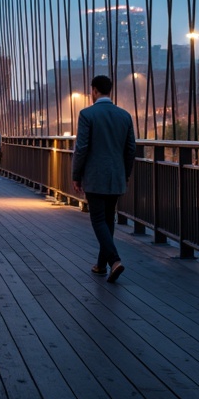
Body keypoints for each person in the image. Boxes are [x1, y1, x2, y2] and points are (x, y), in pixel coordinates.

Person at [71, 75, 137, 283]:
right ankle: (101, 265)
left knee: (98, 219)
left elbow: (81, 148)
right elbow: (130, 149)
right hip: (116, 176)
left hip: (95, 176)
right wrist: (125, 174)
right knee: (108, 220)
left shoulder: (87, 114)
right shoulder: (125, 116)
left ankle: (115, 260)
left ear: (94, 90)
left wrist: (76, 175)